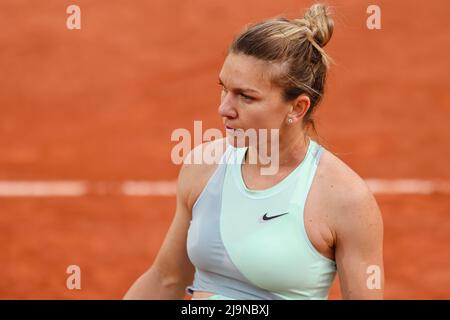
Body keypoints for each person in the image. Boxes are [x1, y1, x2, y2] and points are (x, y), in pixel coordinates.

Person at [124, 3, 384, 300]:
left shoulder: (345, 198)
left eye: (245, 97)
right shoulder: (204, 166)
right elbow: (167, 278)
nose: (224, 109)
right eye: (224, 88)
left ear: (297, 108)